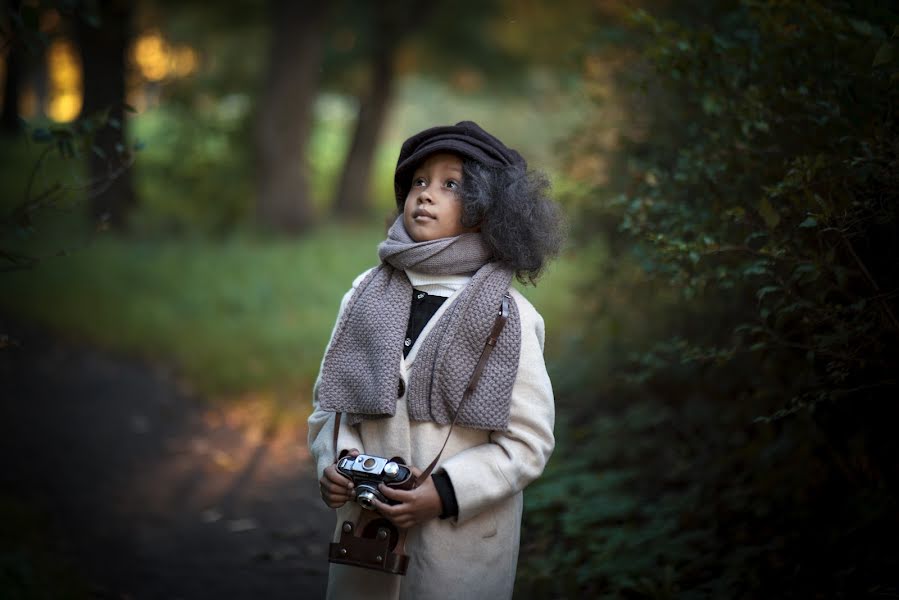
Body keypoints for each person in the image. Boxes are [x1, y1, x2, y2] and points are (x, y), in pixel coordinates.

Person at [307, 120, 564, 599]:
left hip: (458, 552)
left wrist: (443, 494)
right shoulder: (364, 293)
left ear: (488, 210)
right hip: (365, 540)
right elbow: (330, 407)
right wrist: (333, 463)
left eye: (451, 185)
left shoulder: (511, 318)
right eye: (419, 182)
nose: (426, 194)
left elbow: (528, 444)